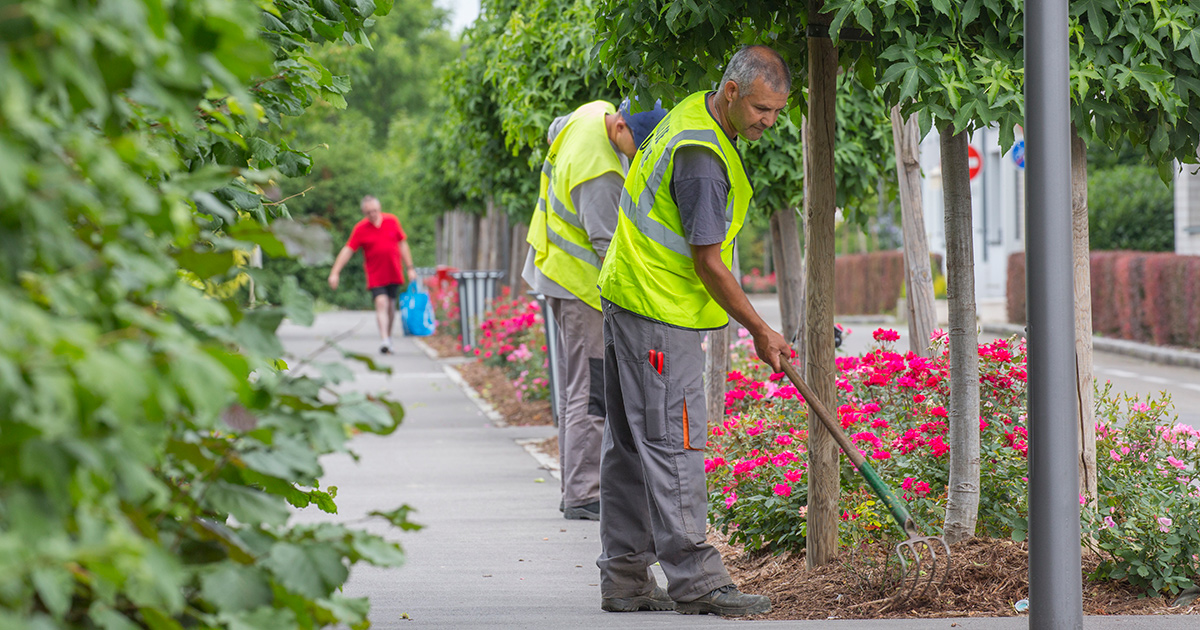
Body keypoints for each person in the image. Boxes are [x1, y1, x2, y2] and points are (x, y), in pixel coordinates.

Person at [594, 45, 792, 616]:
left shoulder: (691, 114)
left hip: (630, 298)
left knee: (630, 445)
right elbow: (708, 261)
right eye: (760, 109)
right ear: (732, 92)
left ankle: (625, 578)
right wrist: (760, 329)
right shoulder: (704, 158)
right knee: (675, 443)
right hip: (659, 313)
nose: (767, 122)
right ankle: (699, 582)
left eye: (776, 113)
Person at [523, 99, 667, 523]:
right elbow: (608, 249)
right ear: (620, 124)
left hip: (553, 268)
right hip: (579, 285)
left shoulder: (592, 113)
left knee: (576, 388)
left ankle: (575, 487)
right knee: (591, 393)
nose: (633, 154)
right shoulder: (602, 174)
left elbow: (554, 128)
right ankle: (584, 492)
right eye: (633, 144)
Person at [328, 195, 416, 354]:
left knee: (390, 306)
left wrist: (410, 267)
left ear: (379, 208)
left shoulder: (392, 221)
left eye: (375, 210)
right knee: (381, 303)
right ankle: (384, 340)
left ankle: (388, 338)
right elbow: (348, 250)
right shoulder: (360, 229)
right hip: (375, 274)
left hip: (394, 271)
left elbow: (403, 244)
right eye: (369, 212)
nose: (373, 214)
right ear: (364, 212)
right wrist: (335, 272)